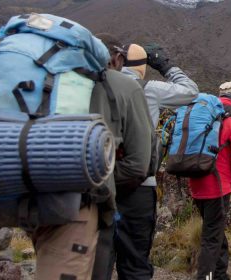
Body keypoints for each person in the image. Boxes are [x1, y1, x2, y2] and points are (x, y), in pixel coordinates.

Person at [59, 34, 150, 280]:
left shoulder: (57, 81)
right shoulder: (127, 87)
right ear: (117, 58)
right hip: (97, 202)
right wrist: (103, 176)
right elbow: (139, 164)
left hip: (49, 198)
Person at [104, 43, 198, 279]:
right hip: (138, 186)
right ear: (144, 67)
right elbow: (191, 90)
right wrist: (166, 66)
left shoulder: (97, 85)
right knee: (135, 263)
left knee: (98, 259)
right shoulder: (150, 89)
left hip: (99, 184)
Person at [186, 82, 231, 280]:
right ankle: (206, 277)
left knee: (214, 230)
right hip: (218, 187)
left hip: (195, 183)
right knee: (211, 238)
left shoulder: (201, 116)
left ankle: (220, 274)